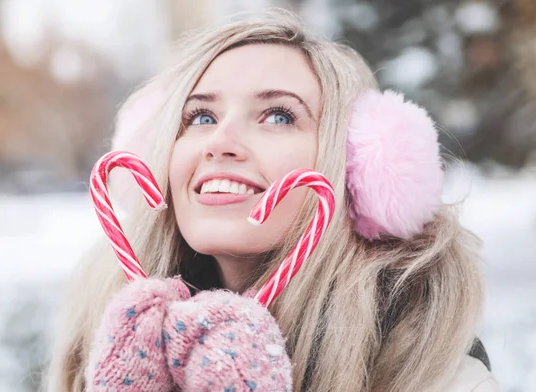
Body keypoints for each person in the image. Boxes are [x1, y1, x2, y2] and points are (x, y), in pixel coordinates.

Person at [44, 8, 500, 392]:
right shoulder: (115, 337)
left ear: (357, 168)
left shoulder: (432, 369)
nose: (220, 141)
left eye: (279, 115)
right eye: (200, 115)